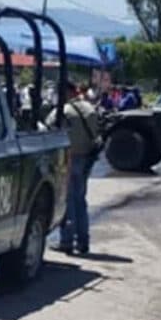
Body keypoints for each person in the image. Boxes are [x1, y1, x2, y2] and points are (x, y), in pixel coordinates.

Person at [49, 81, 100, 256]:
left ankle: (67, 241)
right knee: (80, 200)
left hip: (69, 158)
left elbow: (48, 128)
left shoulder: (64, 111)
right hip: (86, 158)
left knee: (68, 200)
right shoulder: (89, 108)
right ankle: (83, 241)